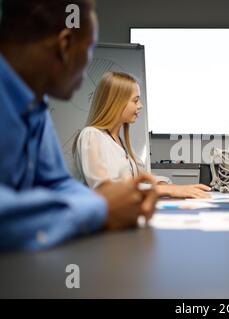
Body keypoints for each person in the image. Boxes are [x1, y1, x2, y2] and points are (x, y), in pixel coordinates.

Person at [0, 0, 159, 251]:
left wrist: (118, 201)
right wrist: (101, 208)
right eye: (89, 50)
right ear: (65, 45)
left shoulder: (36, 109)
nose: (87, 72)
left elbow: (58, 183)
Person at [73, 71, 211, 198]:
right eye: (135, 100)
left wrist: (169, 186)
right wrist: (167, 190)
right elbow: (104, 190)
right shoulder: (91, 136)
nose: (140, 106)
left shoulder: (119, 142)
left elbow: (141, 177)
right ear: (116, 102)